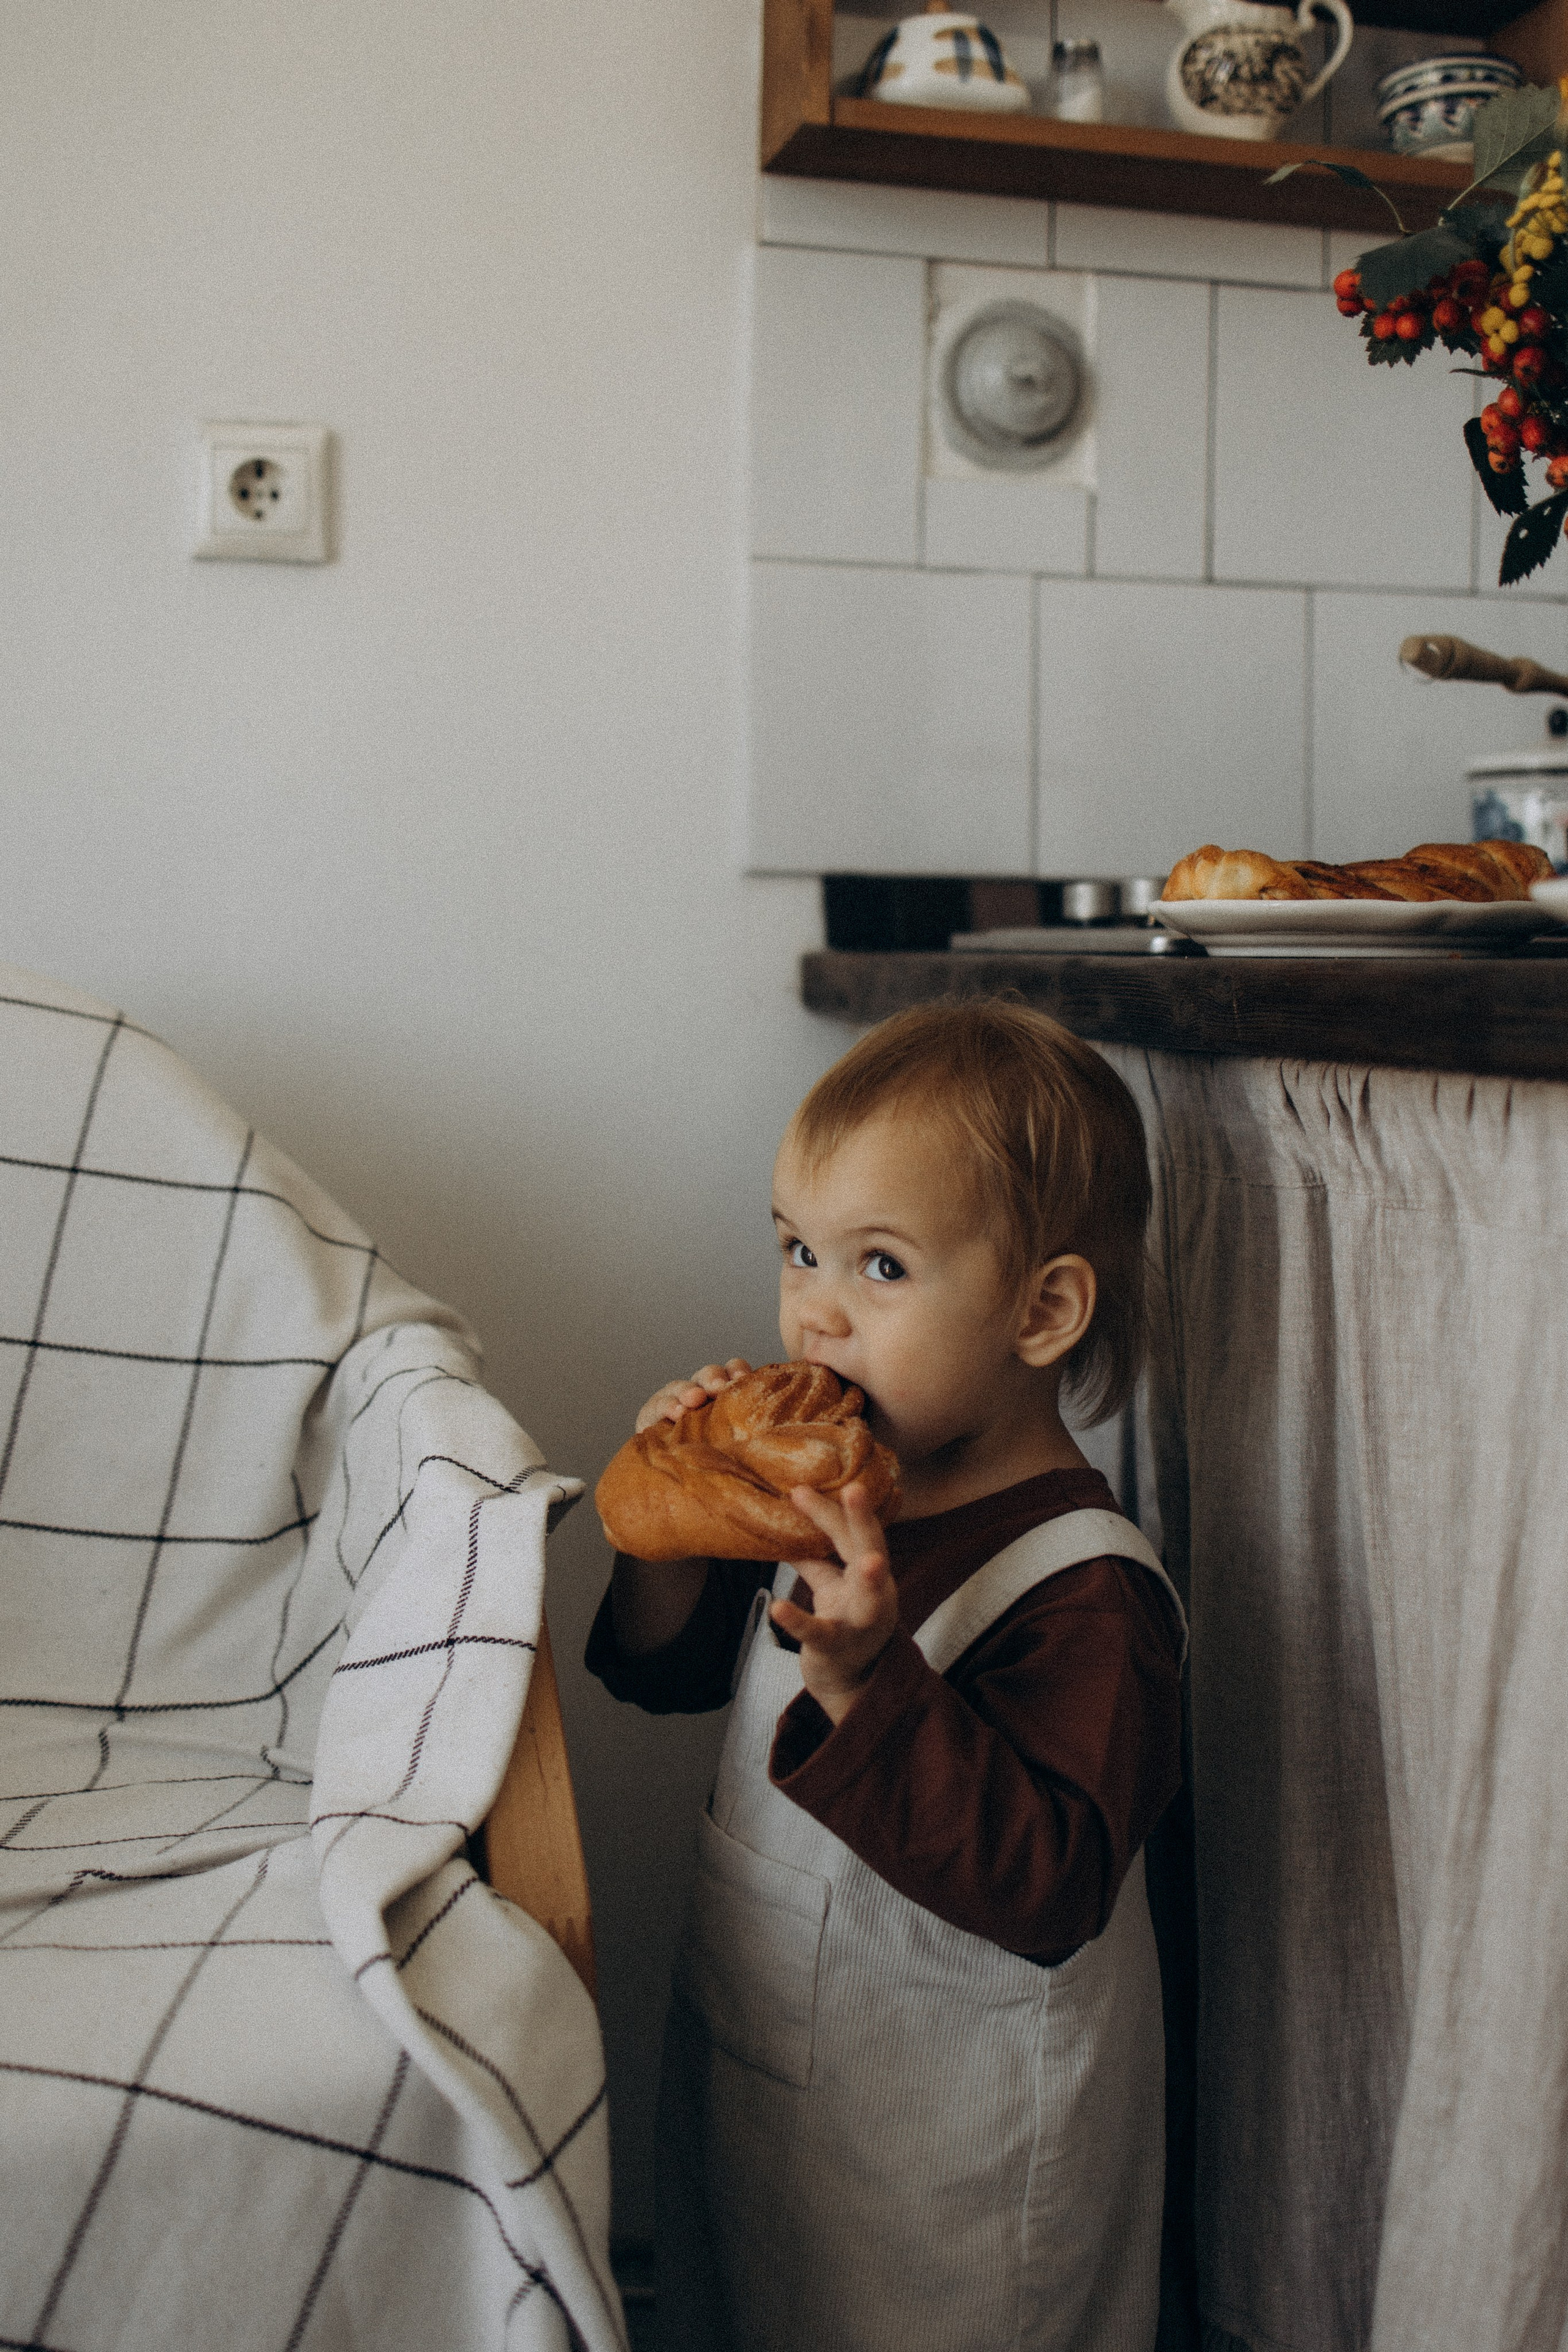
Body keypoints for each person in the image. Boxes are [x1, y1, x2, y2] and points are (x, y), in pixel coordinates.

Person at [586, 999, 1186, 2352]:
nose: (814, 1312)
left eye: (880, 1268)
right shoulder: (831, 1495)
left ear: (1041, 1310)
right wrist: (679, 1521)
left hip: (960, 2183)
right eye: (798, 1249)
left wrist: (864, 1684)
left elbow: (1048, 1882)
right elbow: (673, 1677)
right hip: (776, 2095)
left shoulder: (1084, 1587)